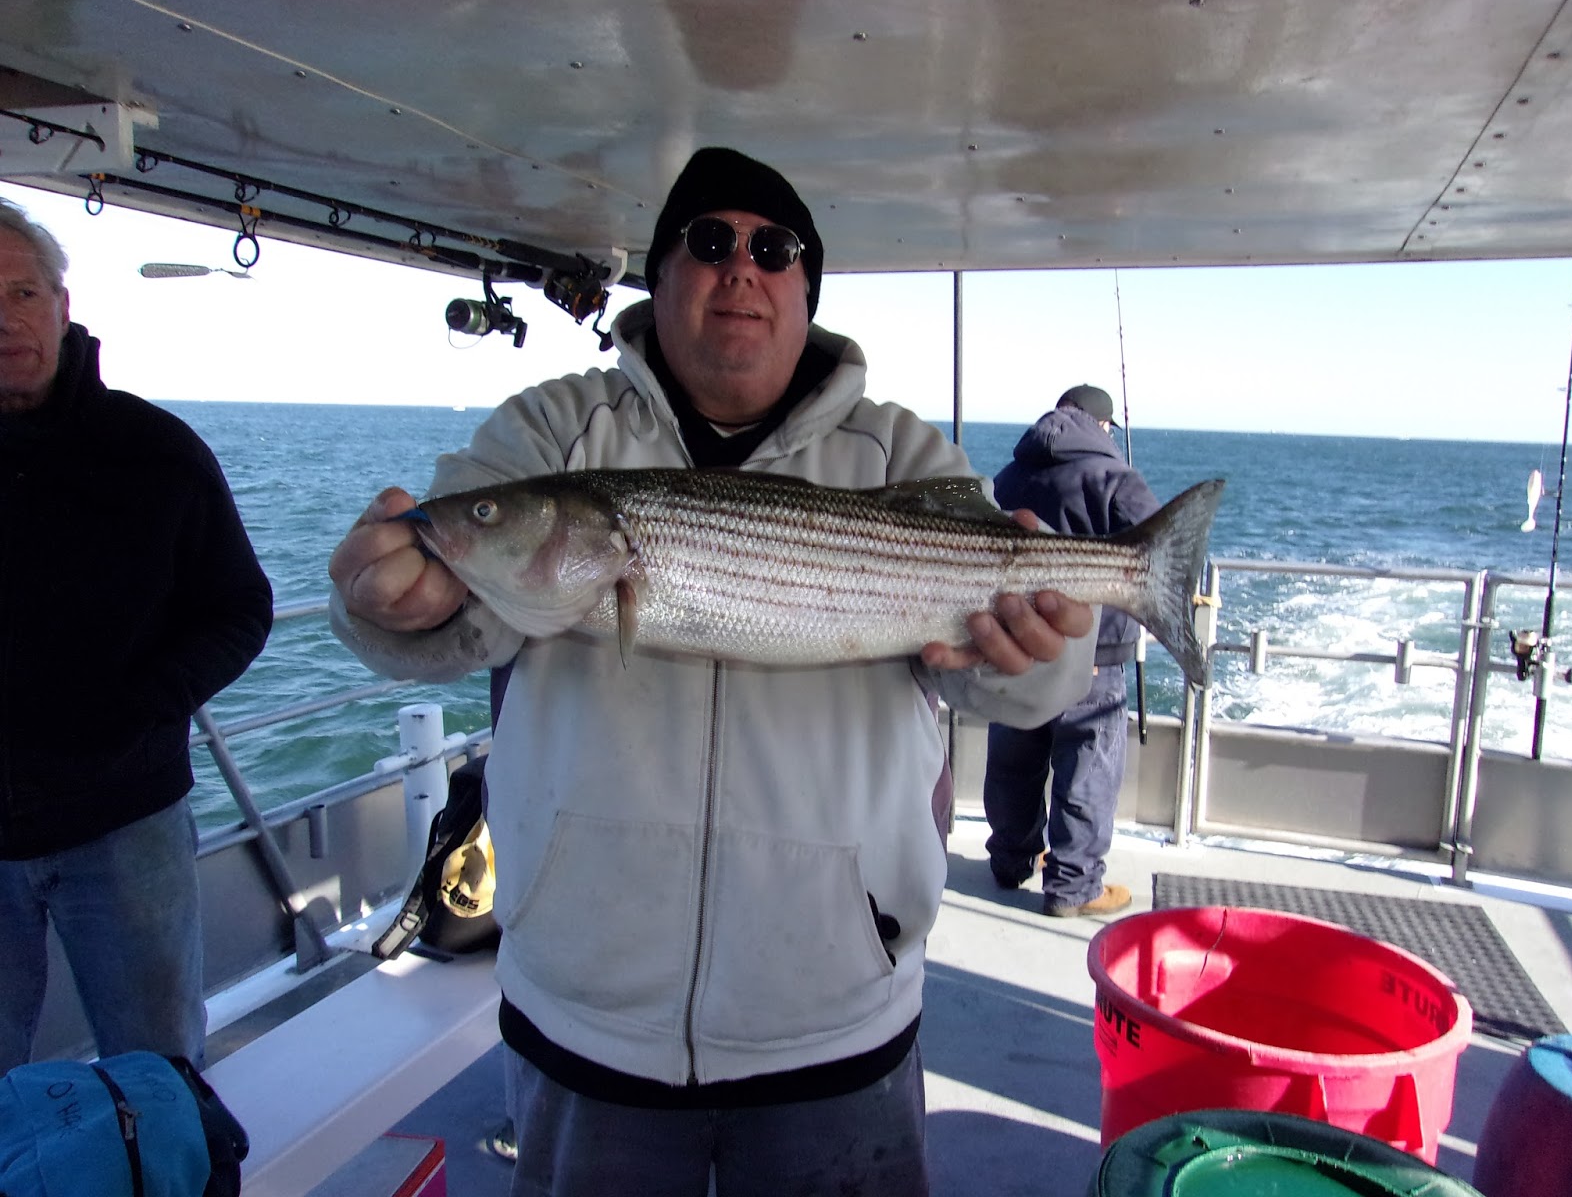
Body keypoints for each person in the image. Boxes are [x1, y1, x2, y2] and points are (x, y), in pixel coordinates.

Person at [327, 146, 1094, 1197]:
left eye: (771, 249)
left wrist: (1044, 651)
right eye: (707, 242)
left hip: (838, 1014)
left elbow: (1014, 686)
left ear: (805, 289)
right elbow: (437, 607)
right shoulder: (554, 430)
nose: (740, 268)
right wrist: (382, 599)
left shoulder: (901, 454)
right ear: (660, 276)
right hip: (585, 1012)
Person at [0, 198, 274, 1072]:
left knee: (158, 1068)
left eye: (23, 293)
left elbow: (241, 607)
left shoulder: (153, 451)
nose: (6, 321)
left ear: (62, 306)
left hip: (124, 820)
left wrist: (147, 704)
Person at [981, 383, 1162, 918]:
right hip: (1095, 649)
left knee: (1013, 757)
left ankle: (1011, 860)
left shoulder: (1014, 473)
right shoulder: (1113, 476)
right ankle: (1073, 885)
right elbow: (1157, 557)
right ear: (1103, 426)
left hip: (1015, 642)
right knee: (1087, 761)